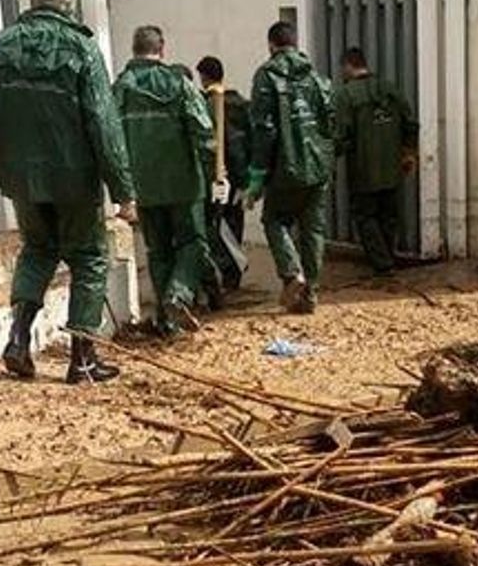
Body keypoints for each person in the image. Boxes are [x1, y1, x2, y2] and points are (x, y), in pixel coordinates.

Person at [0, 0, 137, 384]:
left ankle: (18, 341)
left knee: (37, 250)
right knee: (89, 259)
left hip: (22, 179)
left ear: (33, 1)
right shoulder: (82, 48)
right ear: (69, 5)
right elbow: (103, 124)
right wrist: (123, 191)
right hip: (75, 178)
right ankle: (83, 359)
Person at [113, 25, 215, 337]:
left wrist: (121, 187)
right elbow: (204, 131)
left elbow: (110, 139)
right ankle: (178, 296)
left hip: (143, 187)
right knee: (193, 243)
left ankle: (167, 322)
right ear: (163, 49)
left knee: (158, 251)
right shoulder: (179, 84)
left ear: (134, 50)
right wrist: (214, 173)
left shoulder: (120, 89)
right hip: (184, 183)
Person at [245, 21, 335, 314]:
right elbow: (330, 122)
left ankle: (291, 273)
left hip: (286, 168)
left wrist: (257, 176)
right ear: (295, 43)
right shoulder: (317, 77)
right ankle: (311, 294)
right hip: (318, 168)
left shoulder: (266, 76)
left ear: (271, 44)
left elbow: (264, 129)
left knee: (274, 220)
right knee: (313, 231)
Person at [333, 46, 418, 277]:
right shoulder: (389, 88)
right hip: (392, 169)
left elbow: (340, 135)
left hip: (363, 170)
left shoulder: (346, 95)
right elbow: (410, 122)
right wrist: (409, 152)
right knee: (388, 215)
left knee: (365, 216)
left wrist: (328, 158)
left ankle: (383, 264)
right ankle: (387, 258)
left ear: (348, 66)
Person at [196, 55, 252, 297]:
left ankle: (231, 270)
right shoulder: (241, 103)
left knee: (215, 227)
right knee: (234, 223)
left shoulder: (211, 104)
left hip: (218, 176)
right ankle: (233, 275)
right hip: (239, 176)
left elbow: (226, 143)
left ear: (204, 77)